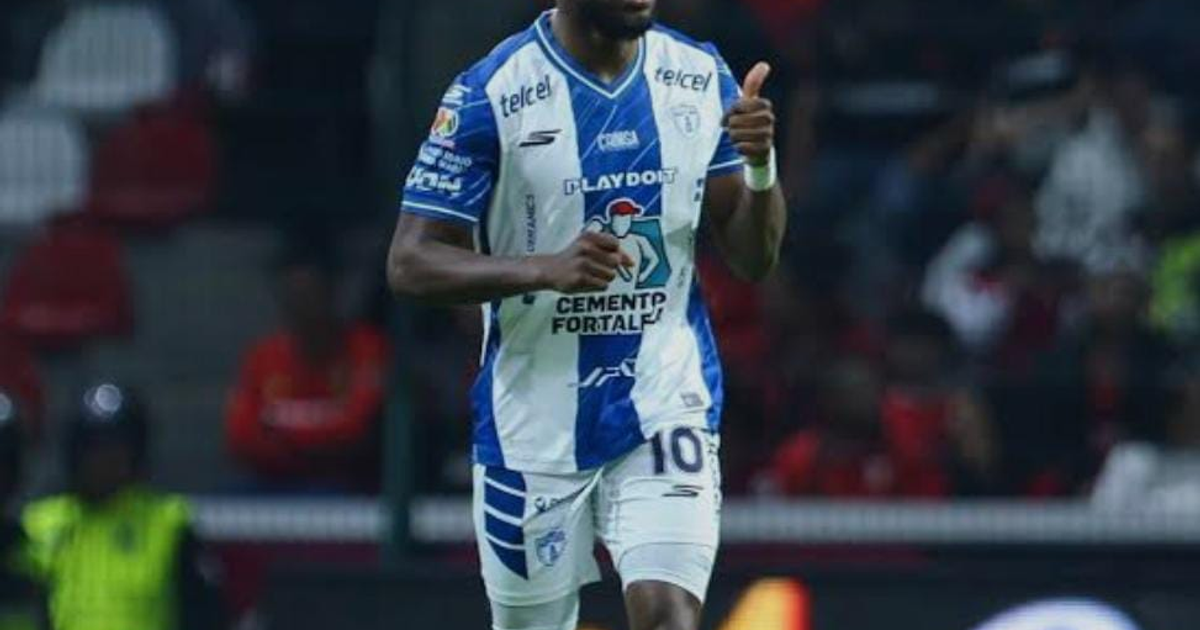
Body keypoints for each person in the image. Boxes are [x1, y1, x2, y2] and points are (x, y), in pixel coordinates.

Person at [387, 1, 787, 629]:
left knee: (668, 617)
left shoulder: (700, 75)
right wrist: (541, 270)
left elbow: (753, 258)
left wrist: (761, 166)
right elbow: (410, 262)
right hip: (532, 427)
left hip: (664, 406)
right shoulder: (488, 94)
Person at [21, 383, 226, 630]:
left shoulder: (169, 524)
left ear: (137, 453)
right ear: (74, 453)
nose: (104, 461)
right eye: (93, 448)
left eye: (115, 448)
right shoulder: (40, 524)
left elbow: (205, 615)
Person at [225, 238, 388, 493]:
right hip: (272, 482)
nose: (302, 307)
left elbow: (358, 431)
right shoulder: (263, 356)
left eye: (310, 295)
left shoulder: (366, 349)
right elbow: (241, 437)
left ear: (330, 292)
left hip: (345, 486)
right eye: (294, 297)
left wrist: (282, 433)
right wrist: (318, 438)